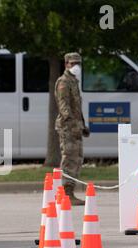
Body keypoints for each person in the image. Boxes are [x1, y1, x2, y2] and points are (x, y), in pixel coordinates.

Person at [54, 52, 90, 206]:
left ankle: (70, 191)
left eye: (78, 63)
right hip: (68, 128)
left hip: (75, 126)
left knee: (77, 158)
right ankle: (66, 194)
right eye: (72, 63)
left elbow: (76, 108)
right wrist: (74, 125)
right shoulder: (63, 82)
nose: (76, 66)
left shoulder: (74, 81)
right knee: (69, 158)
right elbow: (65, 108)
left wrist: (82, 124)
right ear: (66, 64)